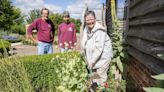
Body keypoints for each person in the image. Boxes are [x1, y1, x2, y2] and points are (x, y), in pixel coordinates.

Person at [82, 10, 113, 87]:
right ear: (85, 21)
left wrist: (92, 62)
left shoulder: (100, 31)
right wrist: (83, 49)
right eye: (87, 20)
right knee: (94, 76)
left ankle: (102, 88)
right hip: (94, 59)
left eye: (91, 19)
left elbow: (99, 49)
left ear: (95, 19)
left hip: (103, 58)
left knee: (101, 76)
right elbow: (84, 40)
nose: (90, 22)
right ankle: (95, 86)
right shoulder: (86, 28)